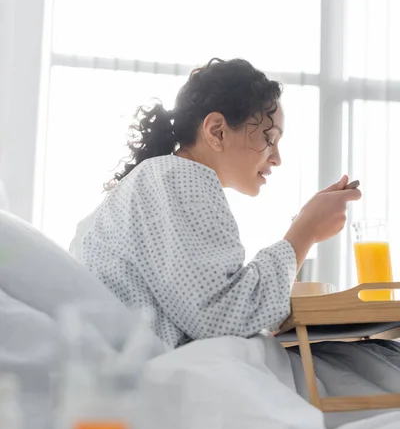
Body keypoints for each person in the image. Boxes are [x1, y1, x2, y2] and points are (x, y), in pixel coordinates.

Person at [71, 58, 361, 349]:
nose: (277, 158)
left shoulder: (161, 178)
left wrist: (303, 231)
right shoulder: (178, 178)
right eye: (268, 138)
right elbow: (221, 317)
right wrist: (305, 232)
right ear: (217, 131)